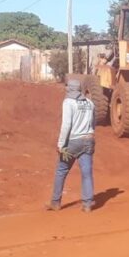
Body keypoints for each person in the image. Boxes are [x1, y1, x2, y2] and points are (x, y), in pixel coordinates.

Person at [47, 78, 96, 213]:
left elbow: (66, 125)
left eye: (67, 87)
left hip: (72, 142)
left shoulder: (68, 102)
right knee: (86, 172)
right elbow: (94, 123)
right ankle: (87, 204)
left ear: (70, 88)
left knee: (61, 170)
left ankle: (55, 202)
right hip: (88, 140)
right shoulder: (90, 103)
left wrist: (61, 144)